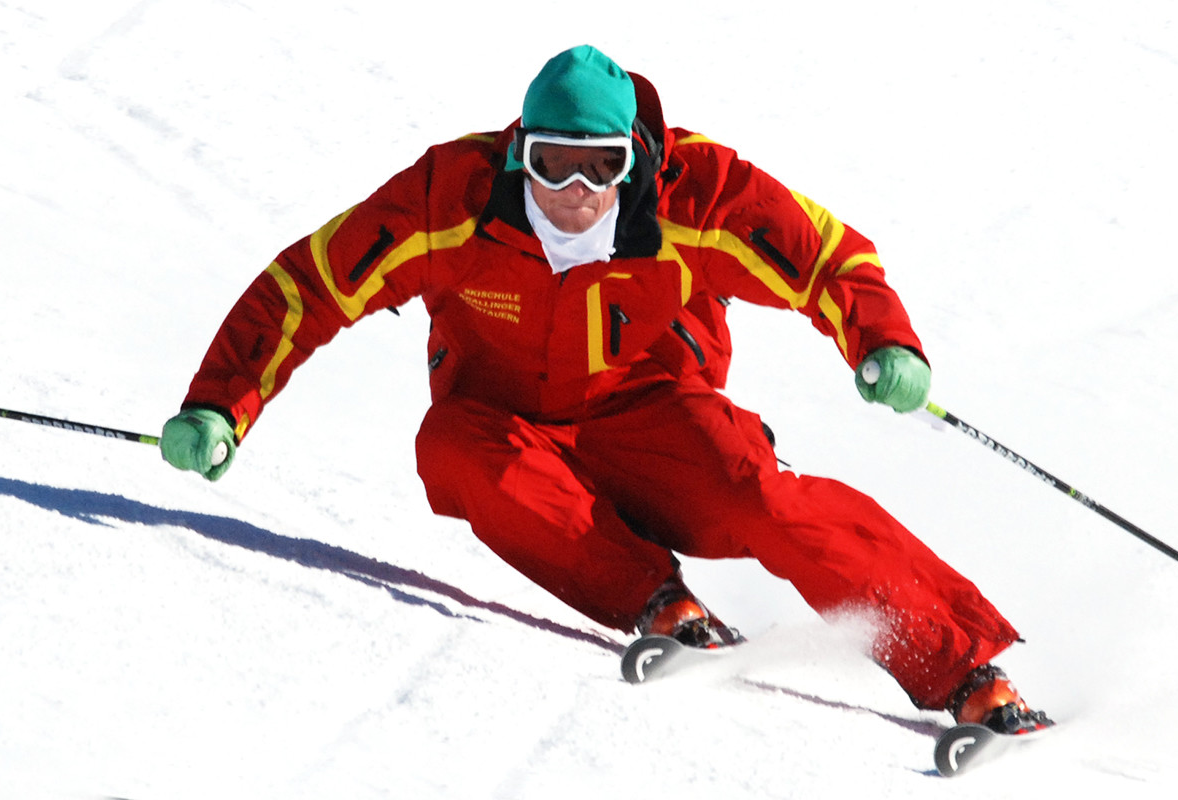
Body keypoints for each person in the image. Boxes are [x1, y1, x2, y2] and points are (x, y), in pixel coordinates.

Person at [160, 45, 1051, 734]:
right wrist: (219, 405)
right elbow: (309, 285)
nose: (576, 191)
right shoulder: (451, 200)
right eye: (553, 163)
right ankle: (660, 604)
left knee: (759, 499)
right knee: (451, 450)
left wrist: (884, 340)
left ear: (636, 160)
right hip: (507, 427)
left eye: (601, 166)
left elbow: (824, 255)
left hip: (654, 419)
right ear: (520, 153)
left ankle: (970, 674)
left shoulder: (694, 196)